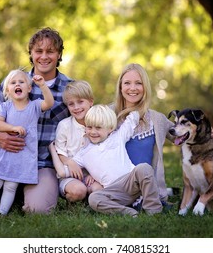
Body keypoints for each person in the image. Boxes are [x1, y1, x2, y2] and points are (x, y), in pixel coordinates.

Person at [0, 27, 72, 214]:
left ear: (59, 54)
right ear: (31, 54)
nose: (44, 56)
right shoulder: (15, 81)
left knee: (37, 209)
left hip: (42, 164)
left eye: (50, 51)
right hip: (7, 157)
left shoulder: (69, 88)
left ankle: (26, 194)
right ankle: (9, 191)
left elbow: (82, 125)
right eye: (38, 51)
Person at [0, 69, 54, 216]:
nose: (17, 84)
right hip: (4, 154)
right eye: (13, 83)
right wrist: (12, 128)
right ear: (8, 90)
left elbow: (49, 103)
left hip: (22, 156)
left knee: (10, 186)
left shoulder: (35, 106)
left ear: (29, 88)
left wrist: (43, 86)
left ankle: (2, 213)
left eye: (21, 82)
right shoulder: (5, 106)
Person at [72, 105, 163, 217]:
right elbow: (67, 169)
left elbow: (132, 118)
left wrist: (128, 103)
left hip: (131, 182)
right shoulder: (83, 153)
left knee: (144, 168)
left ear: (110, 128)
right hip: (113, 191)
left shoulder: (117, 137)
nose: (93, 132)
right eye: (89, 127)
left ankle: (153, 210)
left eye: (98, 128)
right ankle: (129, 213)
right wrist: (85, 173)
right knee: (94, 198)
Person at [111, 63, 176, 209]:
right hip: (116, 185)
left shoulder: (156, 119)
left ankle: (146, 201)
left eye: (138, 83)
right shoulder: (108, 114)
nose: (132, 88)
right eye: (127, 83)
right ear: (120, 87)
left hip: (146, 187)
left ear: (145, 87)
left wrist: (206, 132)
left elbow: (182, 135)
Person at [49, 80, 102, 202]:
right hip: (69, 175)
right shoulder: (64, 125)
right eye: (71, 104)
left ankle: (92, 204)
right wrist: (69, 162)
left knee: (99, 190)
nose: (76, 107)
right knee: (78, 191)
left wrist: (94, 174)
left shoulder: (98, 125)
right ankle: (73, 203)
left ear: (91, 102)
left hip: (91, 175)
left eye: (80, 102)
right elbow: (60, 151)